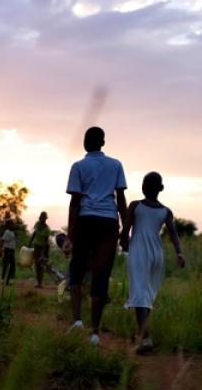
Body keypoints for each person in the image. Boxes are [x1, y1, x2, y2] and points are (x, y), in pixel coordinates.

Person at [63, 126, 127, 345]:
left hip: (85, 220)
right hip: (108, 223)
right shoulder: (116, 165)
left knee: (76, 271)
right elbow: (121, 200)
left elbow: (74, 203)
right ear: (103, 143)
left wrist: (70, 237)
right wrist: (125, 230)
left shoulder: (78, 167)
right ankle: (95, 332)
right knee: (101, 276)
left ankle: (78, 321)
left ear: (85, 143)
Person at [120, 172, 185, 354]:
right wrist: (179, 253)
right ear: (160, 189)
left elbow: (125, 229)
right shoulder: (166, 211)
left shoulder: (135, 205)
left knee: (140, 293)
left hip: (140, 250)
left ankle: (146, 338)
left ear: (143, 187)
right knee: (146, 293)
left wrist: (123, 241)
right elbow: (173, 233)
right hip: (157, 253)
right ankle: (141, 334)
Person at [28, 211, 51, 288]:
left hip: (43, 248)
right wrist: (30, 242)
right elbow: (34, 234)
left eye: (43, 218)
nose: (42, 219)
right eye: (41, 218)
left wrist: (42, 253)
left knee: (41, 265)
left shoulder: (47, 229)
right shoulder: (37, 224)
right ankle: (38, 281)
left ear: (45, 219)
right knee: (37, 264)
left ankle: (40, 282)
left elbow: (45, 242)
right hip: (36, 246)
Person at [0, 219, 17, 286]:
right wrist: (0, 250)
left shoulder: (12, 232)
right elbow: (2, 240)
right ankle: (7, 280)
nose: (13, 225)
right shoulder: (7, 232)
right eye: (12, 224)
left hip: (11, 250)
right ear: (8, 225)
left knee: (9, 266)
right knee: (10, 265)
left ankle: (8, 280)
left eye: (13, 224)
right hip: (8, 250)